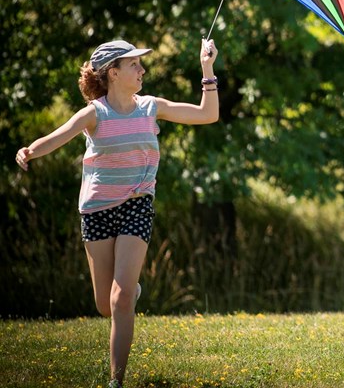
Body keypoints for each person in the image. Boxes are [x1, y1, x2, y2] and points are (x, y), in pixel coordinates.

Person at [15, 38, 220, 388]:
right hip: (96, 209)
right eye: (134, 65)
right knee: (104, 305)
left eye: (141, 64)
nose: (142, 70)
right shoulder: (96, 113)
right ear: (113, 72)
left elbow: (207, 114)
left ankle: (116, 381)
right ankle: (127, 294)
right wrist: (30, 151)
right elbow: (59, 136)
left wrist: (207, 68)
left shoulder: (151, 107)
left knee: (120, 297)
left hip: (137, 202)